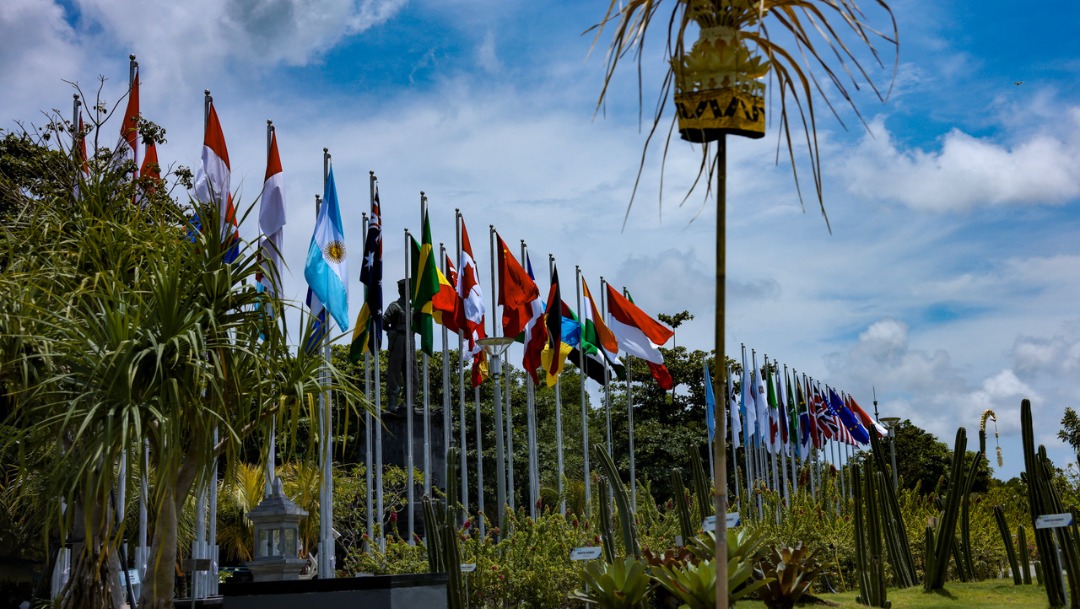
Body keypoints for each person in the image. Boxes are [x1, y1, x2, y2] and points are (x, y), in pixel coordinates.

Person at [384, 279, 416, 412]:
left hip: (410, 340)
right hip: (398, 340)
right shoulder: (395, 306)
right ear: (402, 291)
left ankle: (410, 400)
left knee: (412, 371)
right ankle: (392, 401)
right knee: (394, 371)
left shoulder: (413, 308)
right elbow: (383, 322)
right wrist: (392, 332)